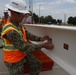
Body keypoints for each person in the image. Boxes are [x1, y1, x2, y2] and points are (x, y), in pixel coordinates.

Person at [1, 0, 54, 75]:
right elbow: (23, 46)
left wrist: (40, 38)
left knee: (37, 65)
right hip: (13, 60)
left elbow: (27, 34)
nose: (23, 17)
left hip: (22, 54)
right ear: (13, 13)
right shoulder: (10, 30)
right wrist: (43, 45)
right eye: (22, 15)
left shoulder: (18, 24)